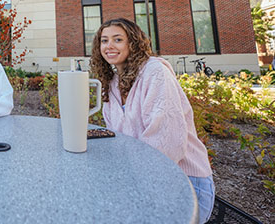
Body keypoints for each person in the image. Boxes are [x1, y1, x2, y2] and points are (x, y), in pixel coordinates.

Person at [90, 18, 215, 223]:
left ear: (133, 43)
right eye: (104, 41)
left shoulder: (155, 72)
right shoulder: (113, 82)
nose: (109, 46)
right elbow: (118, 138)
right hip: (141, 177)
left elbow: (167, 143)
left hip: (183, 181)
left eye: (118, 39)